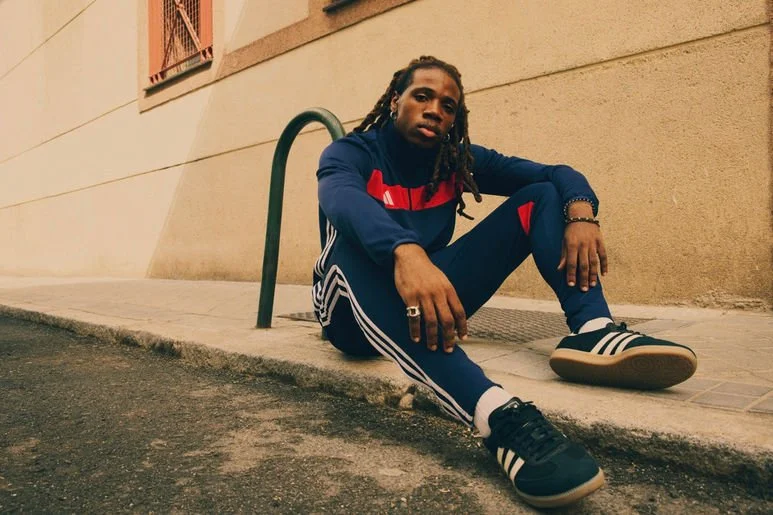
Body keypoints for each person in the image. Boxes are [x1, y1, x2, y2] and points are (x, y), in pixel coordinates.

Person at [312, 56, 697, 508]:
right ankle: (497, 416)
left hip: (427, 299)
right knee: (352, 245)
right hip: (350, 314)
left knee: (543, 196)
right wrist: (404, 251)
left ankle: (593, 329)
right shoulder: (352, 152)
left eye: (449, 105)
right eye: (423, 96)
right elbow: (340, 198)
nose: (436, 109)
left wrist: (581, 210)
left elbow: (555, 173)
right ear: (396, 101)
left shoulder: (455, 161)